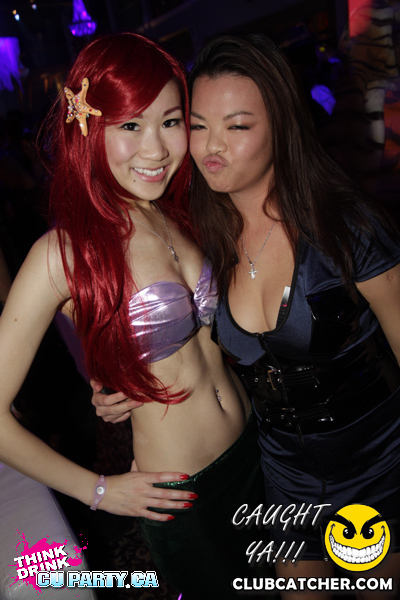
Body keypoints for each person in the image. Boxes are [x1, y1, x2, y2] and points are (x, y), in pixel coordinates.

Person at [94, 33, 400, 599]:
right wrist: (120, 384)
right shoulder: (201, 240)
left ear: (281, 127)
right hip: (282, 476)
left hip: (377, 465)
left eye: (237, 126)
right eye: (198, 125)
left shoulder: (346, 226)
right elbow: (191, 348)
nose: (213, 145)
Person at [0, 33, 267, 600]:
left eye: (170, 121)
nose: (157, 149)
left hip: (256, 448)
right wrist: (98, 490)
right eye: (130, 125)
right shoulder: (62, 254)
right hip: (184, 494)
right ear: (88, 128)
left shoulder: (184, 213)